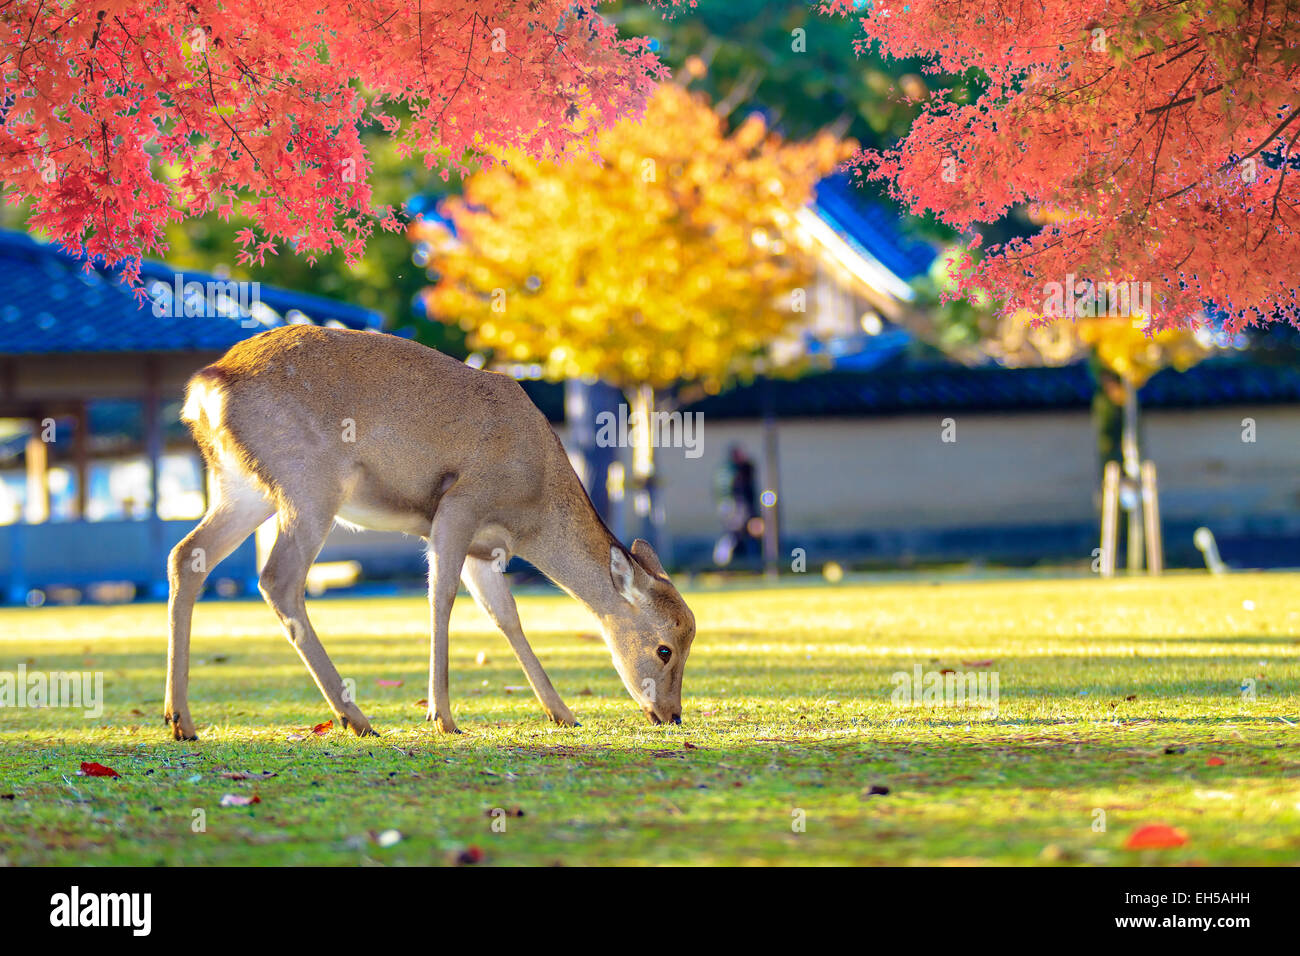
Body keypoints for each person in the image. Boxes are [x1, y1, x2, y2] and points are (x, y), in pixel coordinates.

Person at [713, 444, 761, 566]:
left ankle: (730, 561)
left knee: (737, 536)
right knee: (735, 535)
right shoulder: (733, 472)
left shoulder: (726, 470)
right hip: (736, 509)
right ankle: (722, 561)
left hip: (732, 509)